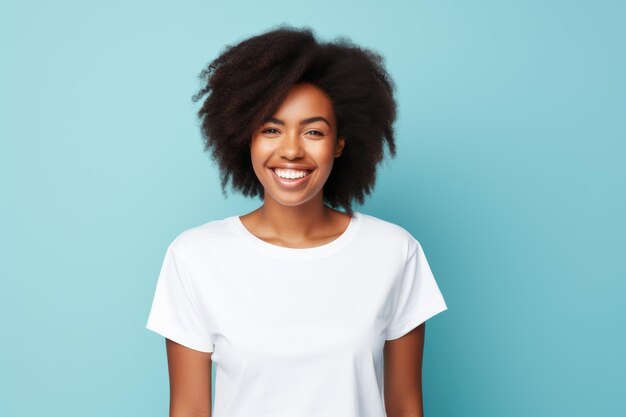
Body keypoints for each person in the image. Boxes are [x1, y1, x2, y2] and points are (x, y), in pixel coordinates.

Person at [146, 24, 448, 417]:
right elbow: (187, 409)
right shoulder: (195, 257)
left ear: (339, 142)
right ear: (245, 137)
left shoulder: (394, 251)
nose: (291, 150)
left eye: (313, 131)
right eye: (271, 129)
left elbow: (406, 406)